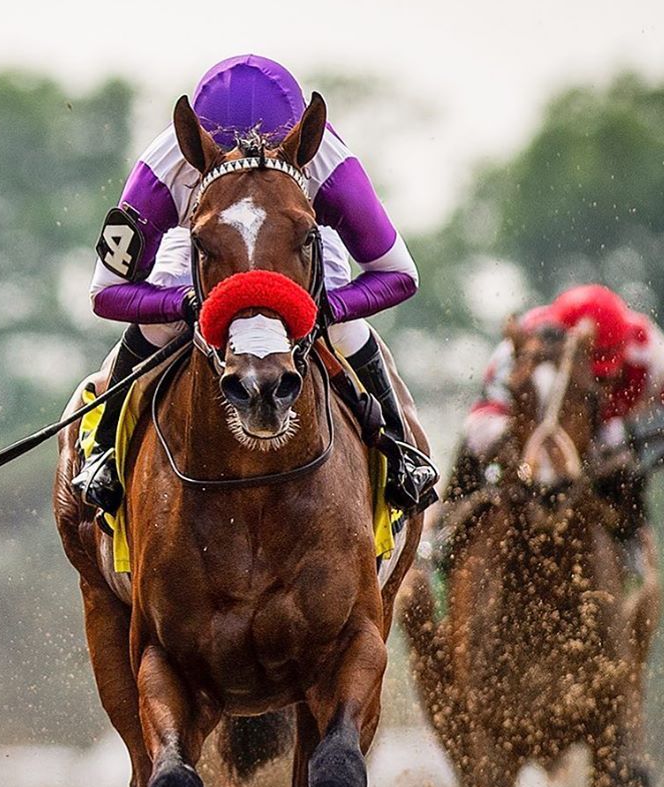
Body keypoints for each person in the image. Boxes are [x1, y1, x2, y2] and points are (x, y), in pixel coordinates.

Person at [74, 53, 427, 514]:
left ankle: (401, 453)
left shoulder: (334, 170)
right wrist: (182, 304)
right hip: (210, 247)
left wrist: (328, 308)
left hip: (294, 251)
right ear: (194, 148)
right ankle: (105, 453)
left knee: (344, 331)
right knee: (156, 330)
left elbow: (401, 274)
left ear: (302, 144)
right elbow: (105, 293)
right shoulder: (158, 176)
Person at [441, 282, 664, 569]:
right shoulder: (524, 345)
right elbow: (482, 420)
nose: (600, 389)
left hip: (602, 441)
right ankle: (437, 544)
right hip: (527, 441)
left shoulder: (646, 346)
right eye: (590, 378)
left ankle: (635, 563)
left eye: (604, 377)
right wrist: (520, 453)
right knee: (472, 453)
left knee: (624, 474)